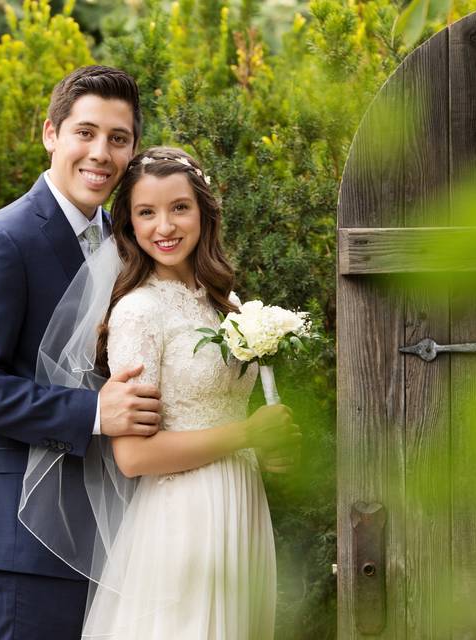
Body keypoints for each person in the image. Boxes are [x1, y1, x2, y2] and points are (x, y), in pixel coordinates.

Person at [23, 146, 300, 639]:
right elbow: (133, 457)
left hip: (239, 504)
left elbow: (231, 407)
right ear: (128, 225)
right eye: (146, 213)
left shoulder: (228, 303)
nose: (164, 227)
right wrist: (247, 435)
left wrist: (271, 443)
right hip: (183, 517)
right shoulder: (138, 312)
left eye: (179, 208)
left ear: (203, 212)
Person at [0, 66, 163, 639]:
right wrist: (91, 414)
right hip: (29, 543)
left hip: (122, 531)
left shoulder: (128, 240)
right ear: (50, 134)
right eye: (85, 132)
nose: (100, 153)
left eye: (118, 139)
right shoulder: (0, 240)